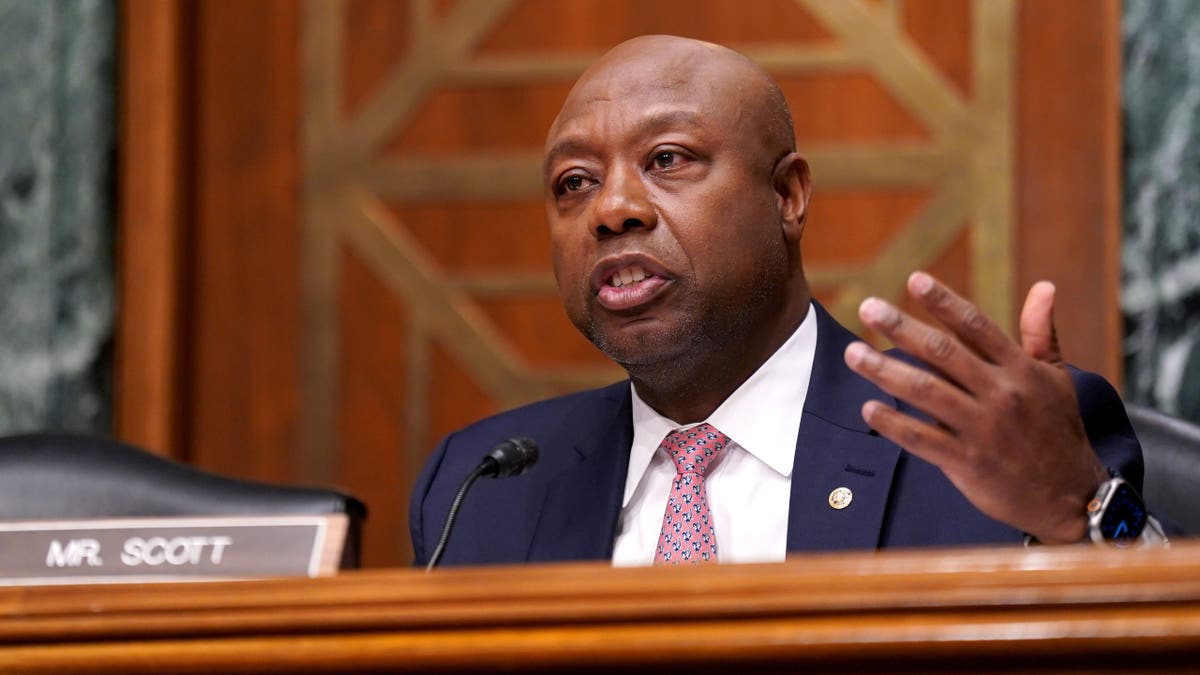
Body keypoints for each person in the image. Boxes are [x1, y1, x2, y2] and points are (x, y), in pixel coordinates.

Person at [410, 35, 1162, 567]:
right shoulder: (481, 483)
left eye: (667, 159)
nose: (612, 209)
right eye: (574, 182)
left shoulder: (983, 443)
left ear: (788, 196)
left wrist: (1081, 516)